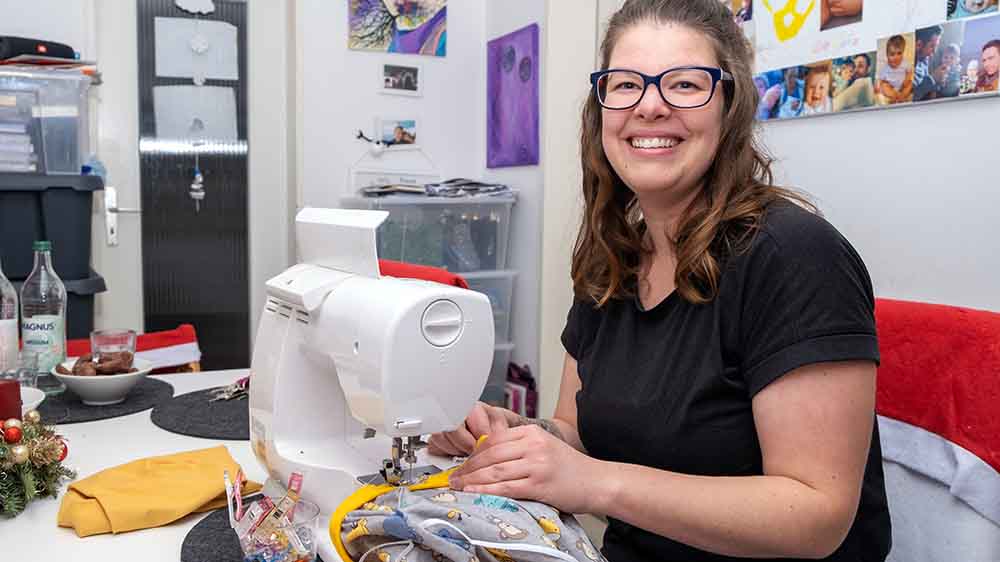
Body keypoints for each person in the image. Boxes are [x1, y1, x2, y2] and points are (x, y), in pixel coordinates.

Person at [430, 1, 891, 561]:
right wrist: (514, 440)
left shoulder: (795, 256)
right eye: (625, 85)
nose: (649, 106)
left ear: (730, 106)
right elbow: (580, 434)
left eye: (684, 84)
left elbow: (817, 516)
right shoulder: (612, 260)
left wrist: (595, 482)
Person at [878, 35, 913, 104]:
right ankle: (894, 96)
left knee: (910, 83)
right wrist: (884, 84)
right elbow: (881, 81)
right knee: (884, 86)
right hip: (891, 87)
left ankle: (902, 96)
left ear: (903, 52)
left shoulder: (905, 63)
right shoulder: (885, 68)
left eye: (899, 53)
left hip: (902, 86)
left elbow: (909, 72)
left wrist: (906, 80)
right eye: (892, 54)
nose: (896, 57)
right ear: (887, 55)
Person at [912, 26, 944, 101]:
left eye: (936, 46)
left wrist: (937, 82)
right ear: (919, 45)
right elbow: (910, 98)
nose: (934, 51)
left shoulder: (924, 58)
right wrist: (932, 78)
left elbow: (925, 90)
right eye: (932, 46)